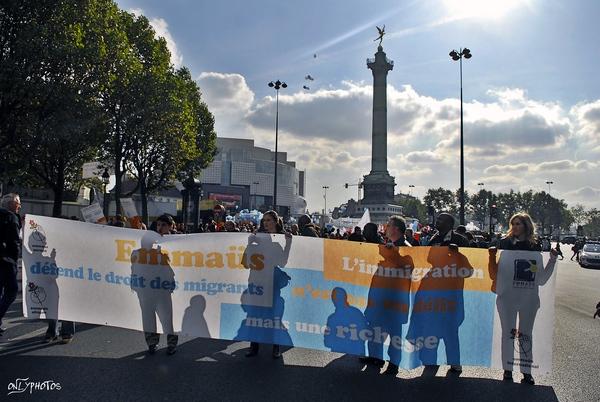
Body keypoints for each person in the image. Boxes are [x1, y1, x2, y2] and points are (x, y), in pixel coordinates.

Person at [489, 212, 558, 385]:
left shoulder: (535, 246)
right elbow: (494, 274)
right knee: (508, 333)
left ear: (526, 226)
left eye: (518, 224)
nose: (514, 227)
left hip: (528, 299)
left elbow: (541, 279)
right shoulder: (503, 244)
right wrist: (491, 256)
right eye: (513, 224)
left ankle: (526, 371)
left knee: (525, 334)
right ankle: (507, 370)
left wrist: (552, 260)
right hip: (507, 298)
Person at [246, 210, 291, 358]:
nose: (266, 223)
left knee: (274, 315)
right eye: (264, 220)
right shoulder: (257, 238)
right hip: (256, 281)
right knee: (255, 313)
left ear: (276, 222)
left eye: (269, 220)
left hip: (272, 282)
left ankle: (275, 347)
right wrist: (249, 244)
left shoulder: (279, 240)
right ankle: (254, 346)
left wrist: (288, 243)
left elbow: (282, 263)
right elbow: (246, 263)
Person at [0, 193, 21, 336]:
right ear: (12, 204)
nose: (20, 206)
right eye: (18, 203)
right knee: (11, 291)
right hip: (6, 261)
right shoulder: (11, 217)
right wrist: (16, 258)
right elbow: (14, 242)